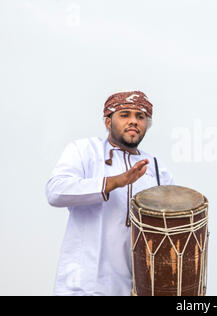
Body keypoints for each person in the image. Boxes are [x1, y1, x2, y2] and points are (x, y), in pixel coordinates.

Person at [46, 91, 174, 296]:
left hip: (133, 289)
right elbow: (55, 191)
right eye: (125, 115)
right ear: (108, 121)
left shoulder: (157, 169)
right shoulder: (84, 150)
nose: (133, 121)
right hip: (82, 286)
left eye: (140, 117)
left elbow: (168, 232)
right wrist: (115, 182)